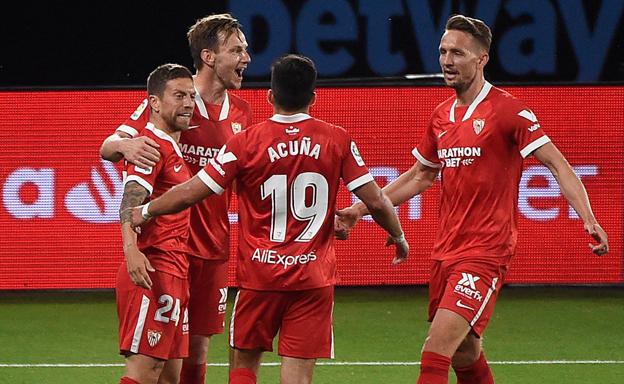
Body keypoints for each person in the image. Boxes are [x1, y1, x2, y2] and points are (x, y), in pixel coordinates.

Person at [334, 14, 609, 384]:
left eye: (458, 53)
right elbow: (420, 176)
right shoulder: (440, 116)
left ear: (482, 59)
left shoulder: (509, 111)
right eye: (443, 51)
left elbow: (559, 167)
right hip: (445, 250)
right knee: (466, 351)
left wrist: (588, 219)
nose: (447, 61)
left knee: (435, 353)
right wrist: (359, 209)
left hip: (486, 252)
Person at [126, 54, 410, 384]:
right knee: (298, 376)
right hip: (313, 280)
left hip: (260, 278)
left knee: (244, 365)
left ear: (270, 96)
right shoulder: (337, 139)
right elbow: (376, 200)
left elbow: (192, 191)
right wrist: (398, 234)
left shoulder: (245, 142)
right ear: (313, 97)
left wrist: (146, 210)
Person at [101, 14, 253, 384]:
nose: (247, 58)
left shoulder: (243, 113)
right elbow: (109, 148)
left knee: (195, 349)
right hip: (169, 248)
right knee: (161, 356)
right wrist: (126, 144)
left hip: (212, 246)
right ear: (210, 56)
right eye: (237, 50)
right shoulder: (175, 104)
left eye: (245, 49)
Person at [116, 63, 195, 384]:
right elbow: (130, 201)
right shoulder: (150, 146)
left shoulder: (171, 146)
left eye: (191, 96)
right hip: (154, 268)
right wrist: (131, 250)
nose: (188, 103)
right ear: (154, 103)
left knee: (170, 375)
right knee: (145, 371)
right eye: (178, 96)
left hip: (176, 269)